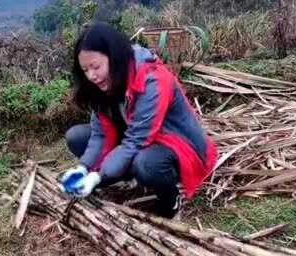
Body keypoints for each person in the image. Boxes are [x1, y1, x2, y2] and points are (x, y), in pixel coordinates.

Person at [61, 22, 217, 218]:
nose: (91, 76)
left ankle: (171, 198)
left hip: (174, 143)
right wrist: (83, 168)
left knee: (145, 164)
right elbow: (100, 134)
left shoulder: (152, 79)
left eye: (96, 67)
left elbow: (136, 140)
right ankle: (121, 175)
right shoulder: (102, 83)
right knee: (76, 137)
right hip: (135, 139)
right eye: (85, 70)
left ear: (114, 57)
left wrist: (98, 175)